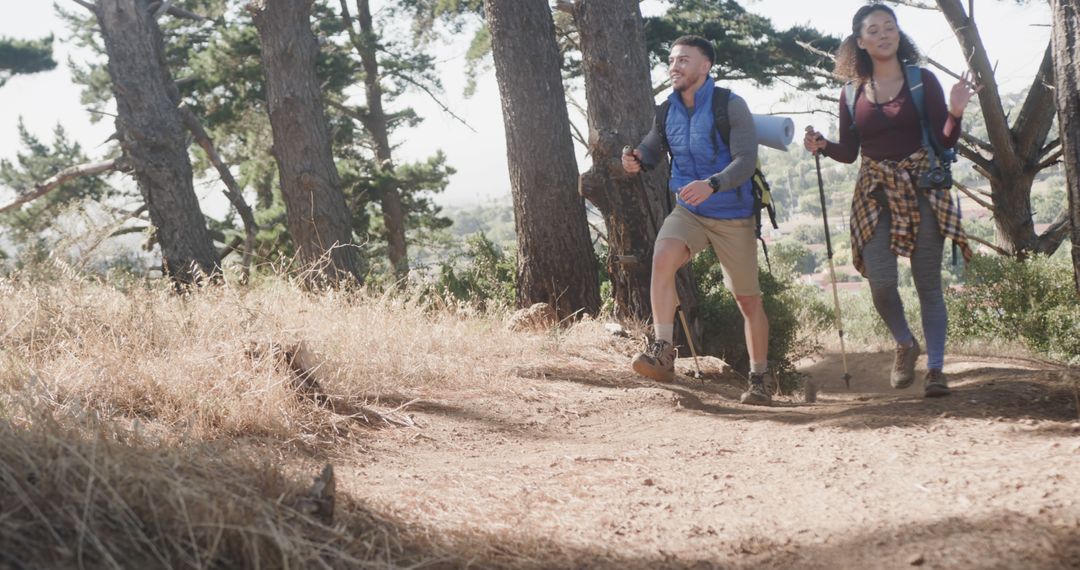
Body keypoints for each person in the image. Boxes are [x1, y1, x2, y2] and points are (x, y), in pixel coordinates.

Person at [803, 4, 978, 398]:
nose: (884, 34)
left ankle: (935, 370)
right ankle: (904, 342)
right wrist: (822, 145)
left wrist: (955, 111)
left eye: (890, 27)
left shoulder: (922, 81)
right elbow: (849, 152)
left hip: (924, 191)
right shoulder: (850, 94)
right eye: (874, 30)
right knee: (881, 283)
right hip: (875, 193)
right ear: (860, 42)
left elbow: (945, 139)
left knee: (928, 285)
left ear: (899, 33)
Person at [623, 35, 771, 406]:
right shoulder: (666, 110)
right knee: (662, 258)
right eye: (671, 60)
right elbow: (652, 148)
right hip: (689, 211)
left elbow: (745, 160)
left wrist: (713, 184)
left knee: (748, 301)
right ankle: (662, 350)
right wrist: (635, 158)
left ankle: (759, 378)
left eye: (684, 60)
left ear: (705, 67)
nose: (675, 66)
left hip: (732, 214)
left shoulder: (730, 106)